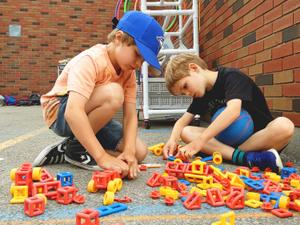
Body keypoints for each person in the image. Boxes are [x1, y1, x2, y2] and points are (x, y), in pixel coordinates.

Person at [33, 11, 164, 179]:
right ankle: (77, 150)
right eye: (138, 54)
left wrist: (129, 152)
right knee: (114, 93)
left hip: (89, 114)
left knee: (140, 152)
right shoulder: (91, 60)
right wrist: (102, 157)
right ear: (118, 38)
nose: (139, 64)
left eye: (143, 61)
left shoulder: (128, 72)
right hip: (61, 110)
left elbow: (131, 116)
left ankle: (69, 148)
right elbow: (73, 112)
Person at [163, 53, 294, 173]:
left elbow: (233, 111)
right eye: (183, 93)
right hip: (229, 143)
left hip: (259, 139)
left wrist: (201, 142)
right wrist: (172, 140)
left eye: (185, 86)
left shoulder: (232, 76)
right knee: (186, 132)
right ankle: (248, 158)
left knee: (285, 126)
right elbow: (182, 122)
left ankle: (228, 154)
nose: (187, 93)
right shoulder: (200, 95)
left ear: (194, 68)